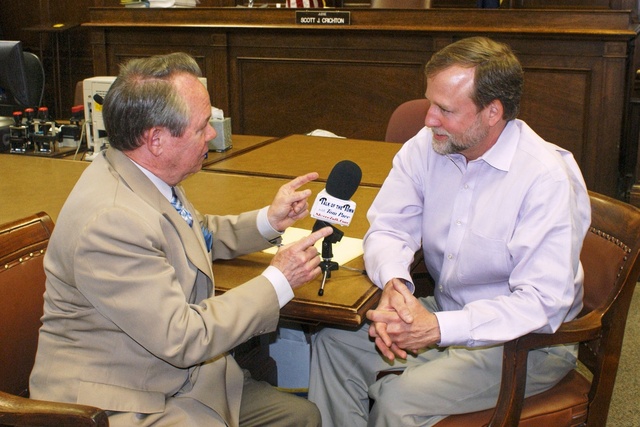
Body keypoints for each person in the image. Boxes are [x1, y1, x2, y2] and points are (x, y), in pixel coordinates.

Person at [29, 52, 332, 427]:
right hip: (121, 402)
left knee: (301, 417)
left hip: (174, 377)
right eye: (202, 126)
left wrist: (269, 222)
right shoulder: (112, 221)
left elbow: (196, 231)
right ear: (156, 139)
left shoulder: (142, 173)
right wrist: (277, 282)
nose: (212, 134)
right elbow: (184, 337)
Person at [307, 36, 591, 426]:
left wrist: (437, 328)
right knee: (332, 344)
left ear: (492, 113)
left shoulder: (544, 178)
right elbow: (389, 227)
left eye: (445, 109)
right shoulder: (429, 146)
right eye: (430, 103)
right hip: (448, 313)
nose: (428, 120)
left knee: (399, 400)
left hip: (526, 342)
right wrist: (396, 287)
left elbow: (541, 304)